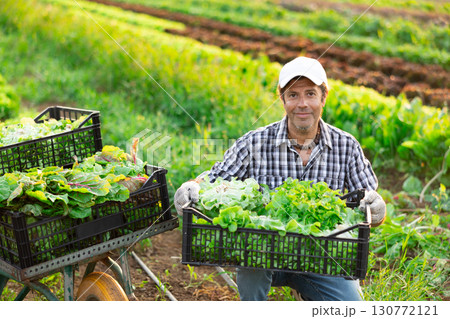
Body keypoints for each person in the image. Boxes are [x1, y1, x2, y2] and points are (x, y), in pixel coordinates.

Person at [174, 56, 386, 301]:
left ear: (323, 97)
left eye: (310, 94)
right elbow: (216, 177)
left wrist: (377, 208)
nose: (302, 104)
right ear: (282, 99)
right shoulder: (256, 142)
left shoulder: (346, 145)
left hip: (322, 258)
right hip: (264, 257)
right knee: (252, 257)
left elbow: (369, 201)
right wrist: (192, 186)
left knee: (351, 306)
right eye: (293, 95)